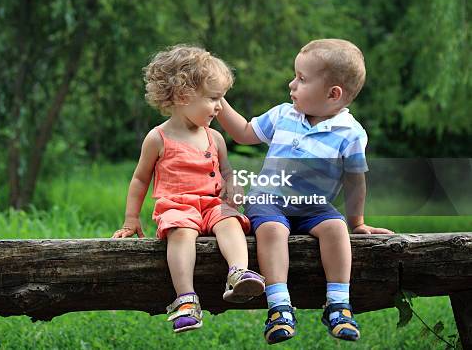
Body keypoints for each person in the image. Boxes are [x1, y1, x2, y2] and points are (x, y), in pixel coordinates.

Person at [217, 38, 393, 344]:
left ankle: (338, 304)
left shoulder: (350, 133)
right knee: (272, 230)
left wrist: (357, 222)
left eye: (302, 79)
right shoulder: (284, 115)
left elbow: (355, 181)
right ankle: (279, 306)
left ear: (333, 94)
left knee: (336, 229)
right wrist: (219, 103)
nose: (292, 84)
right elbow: (244, 133)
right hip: (269, 200)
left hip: (315, 206)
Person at [112, 44, 265, 333]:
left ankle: (238, 273)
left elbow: (227, 171)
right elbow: (140, 179)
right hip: (177, 206)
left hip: (211, 204)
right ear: (183, 96)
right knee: (181, 233)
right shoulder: (158, 138)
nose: (220, 107)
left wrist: (233, 185)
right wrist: (131, 219)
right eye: (213, 98)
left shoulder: (215, 137)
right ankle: (185, 298)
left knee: (230, 221)